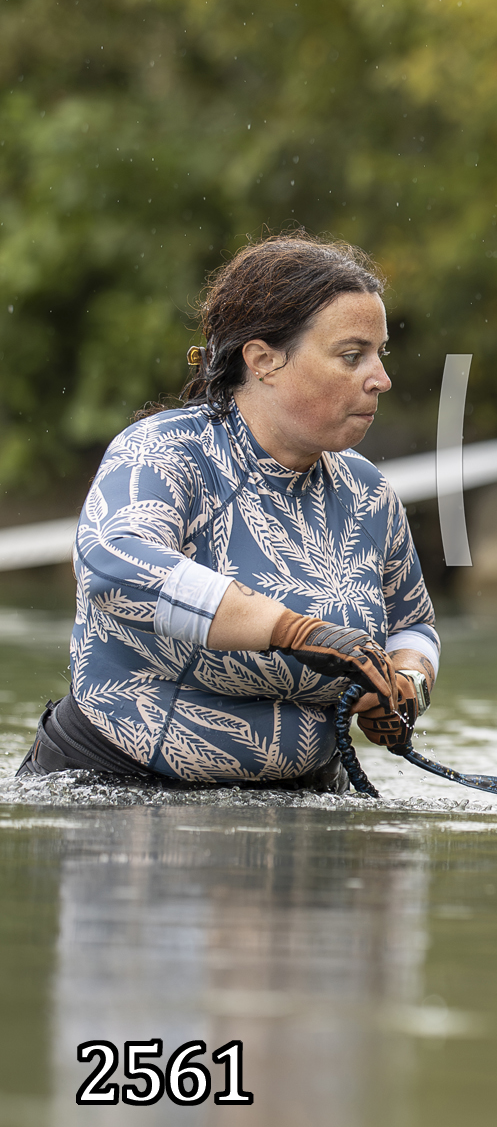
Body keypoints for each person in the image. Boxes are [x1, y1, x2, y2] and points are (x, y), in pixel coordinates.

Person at [15, 231, 438, 789]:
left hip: (306, 801)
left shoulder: (369, 492)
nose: (381, 378)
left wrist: (408, 684)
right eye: (352, 356)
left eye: (381, 354)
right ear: (263, 360)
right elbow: (112, 566)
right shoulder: (164, 451)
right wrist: (291, 630)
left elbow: (412, 623)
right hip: (115, 788)